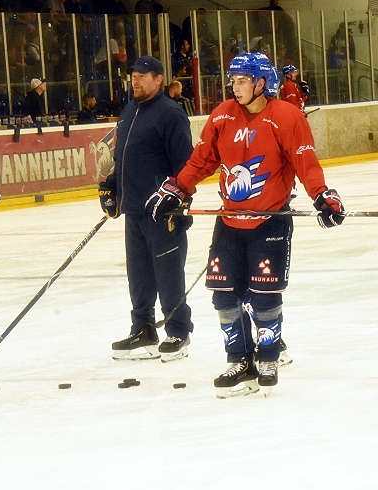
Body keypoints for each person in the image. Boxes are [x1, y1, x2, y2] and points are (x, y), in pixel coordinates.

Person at [144, 52, 345, 398]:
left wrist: (321, 194)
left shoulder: (286, 116)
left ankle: (267, 356)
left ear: (261, 83)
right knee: (223, 295)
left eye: (241, 81)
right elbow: (202, 160)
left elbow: (305, 162)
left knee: (264, 296)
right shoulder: (222, 115)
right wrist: (178, 188)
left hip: (270, 221)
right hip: (230, 221)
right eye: (233, 81)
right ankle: (238, 359)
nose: (234, 87)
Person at [97, 56, 194, 362]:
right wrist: (112, 186)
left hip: (162, 212)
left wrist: (179, 200)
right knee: (138, 274)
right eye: (133, 76)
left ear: (159, 80)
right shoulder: (129, 111)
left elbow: (186, 165)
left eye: (142, 76)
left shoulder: (171, 114)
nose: (135, 81)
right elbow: (125, 158)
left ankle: (178, 331)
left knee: (168, 273)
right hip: (134, 210)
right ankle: (143, 330)